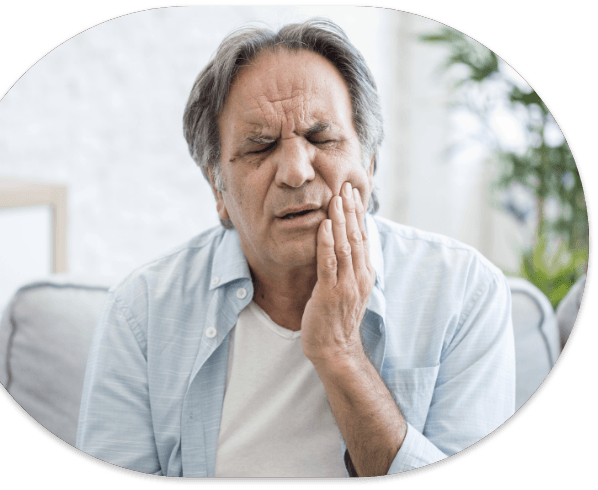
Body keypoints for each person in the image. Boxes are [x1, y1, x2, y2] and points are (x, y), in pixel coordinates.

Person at [76, 19, 515, 478]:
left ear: (369, 162)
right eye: (260, 147)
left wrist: (340, 351)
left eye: (322, 138)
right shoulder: (140, 312)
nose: (295, 171)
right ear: (218, 190)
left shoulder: (465, 293)